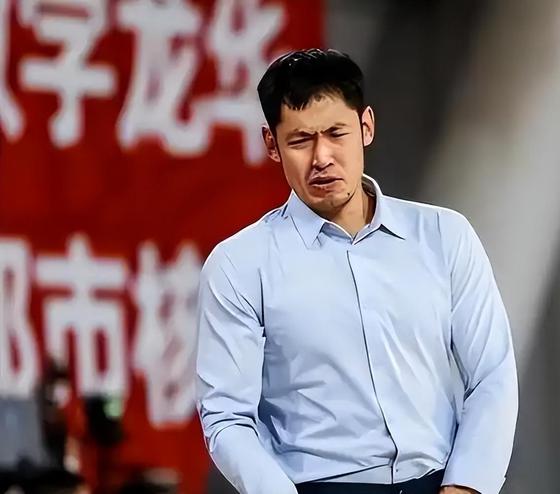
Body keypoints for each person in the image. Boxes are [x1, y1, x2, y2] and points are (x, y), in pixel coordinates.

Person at [195, 48, 518, 494]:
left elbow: (492, 373)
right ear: (272, 145)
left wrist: (467, 486)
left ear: (366, 126)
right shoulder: (240, 265)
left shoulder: (444, 236)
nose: (322, 157)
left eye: (336, 133)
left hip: (441, 483)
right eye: (300, 140)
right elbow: (226, 417)